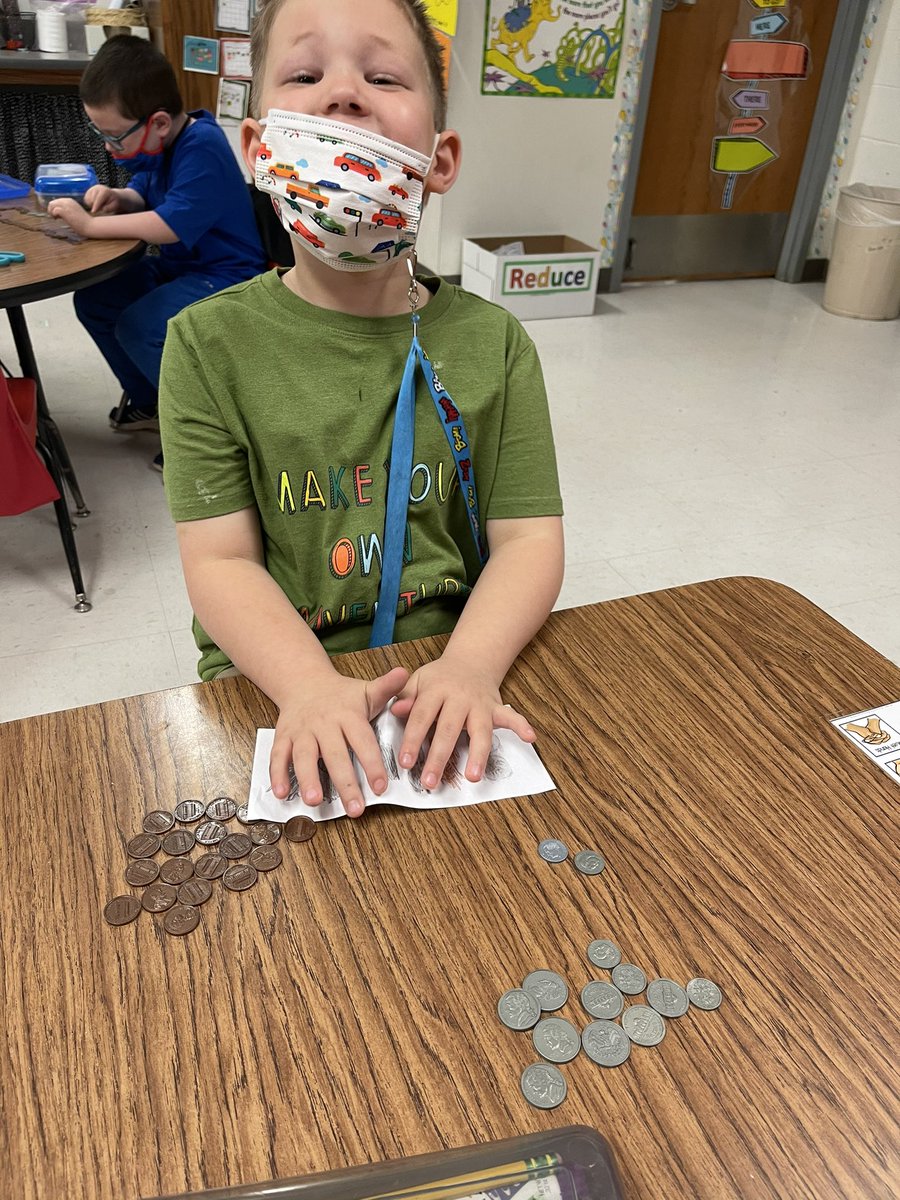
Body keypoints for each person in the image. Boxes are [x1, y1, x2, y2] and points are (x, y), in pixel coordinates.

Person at [159, 0, 565, 818]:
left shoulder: (499, 345)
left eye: (381, 76)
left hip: (450, 671)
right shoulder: (206, 345)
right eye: (305, 75)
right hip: (271, 685)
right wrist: (307, 686)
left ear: (439, 159)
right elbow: (220, 561)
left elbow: (528, 541)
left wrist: (471, 664)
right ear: (258, 149)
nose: (344, 93)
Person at [47, 35, 266, 471]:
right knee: (96, 299)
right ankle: (151, 402)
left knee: (141, 325)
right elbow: (146, 191)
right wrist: (120, 197)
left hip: (230, 277)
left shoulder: (202, 144)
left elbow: (168, 226)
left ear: (159, 123)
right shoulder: (161, 147)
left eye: (112, 136)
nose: (107, 146)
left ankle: (200, 430)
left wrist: (90, 226)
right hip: (183, 268)